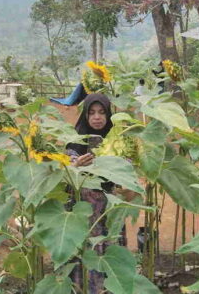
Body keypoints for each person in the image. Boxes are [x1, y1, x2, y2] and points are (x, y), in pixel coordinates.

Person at [66, 93, 126, 293]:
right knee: (84, 254)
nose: (97, 117)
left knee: (109, 254)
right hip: (83, 211)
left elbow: (126, 174)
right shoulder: (75, 140)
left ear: (109, 115)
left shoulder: (117, 141)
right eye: (91, 113)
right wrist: (75, 165)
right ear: (85, 116)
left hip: (109, 210)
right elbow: (64, 168)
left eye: (102, 112)